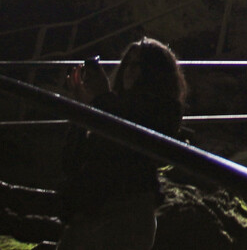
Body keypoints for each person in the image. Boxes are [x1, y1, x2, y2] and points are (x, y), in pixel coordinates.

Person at [58, 37, 187, 250]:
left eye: (139, 65)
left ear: (155, 72)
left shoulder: (164, 109)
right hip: (90, 210)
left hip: (128, 211)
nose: (130, 70)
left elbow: (132, 129)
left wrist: (101, 99)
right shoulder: (111, 105)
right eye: (128, 64)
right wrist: (83, 110)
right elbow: (71, 160)